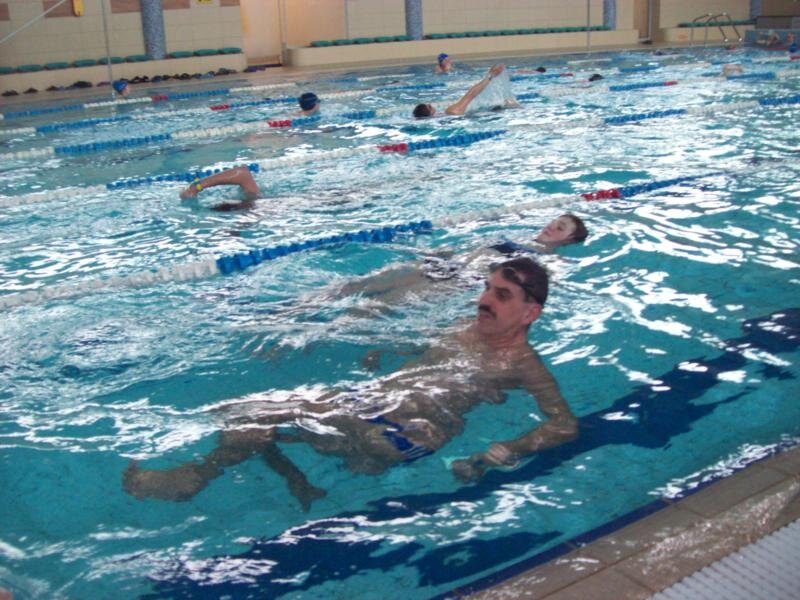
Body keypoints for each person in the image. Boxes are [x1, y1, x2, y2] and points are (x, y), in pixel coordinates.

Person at [122, 257, 578, 509]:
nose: (484, 299)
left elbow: (564, 424)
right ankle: (211, 476)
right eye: (487, 288)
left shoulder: (524, 365)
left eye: (501, 295)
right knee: (247, 414)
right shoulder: (467, 327)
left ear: (530, 313)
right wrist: (384, 347)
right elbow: (425, 351)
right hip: (373, 404)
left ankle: (218, 477)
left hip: (404, 435)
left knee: (266, 420)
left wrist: (504, 450)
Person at [338, 214, 588, 303]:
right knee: (360, 284)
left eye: (560, 228)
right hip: (448, 264)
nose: (551, 227)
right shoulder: (519, 235)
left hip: (462, 280)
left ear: (568, 240)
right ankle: (312, 303)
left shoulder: (550, 261)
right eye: (554, 222)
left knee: (381, 304)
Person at [413, 63, 517, 118]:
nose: (431, 104)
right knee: (507, 105)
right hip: (481, 116)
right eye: (429, 106)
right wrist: (490, 76)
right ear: (430, 112)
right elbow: (471, 94)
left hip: (477, 116)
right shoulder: (452, 111)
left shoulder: (446, 115)